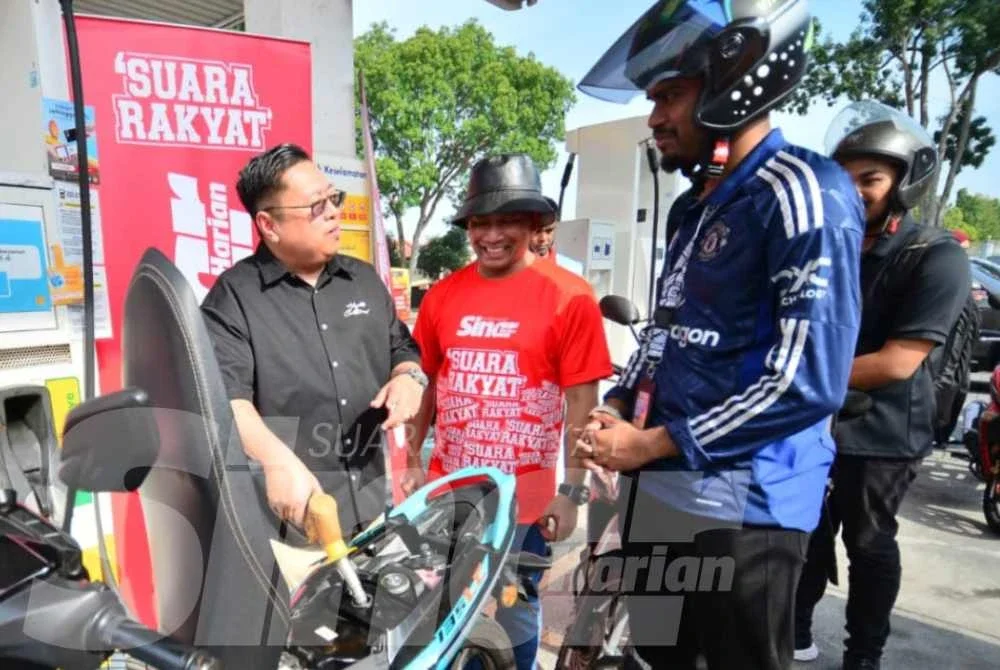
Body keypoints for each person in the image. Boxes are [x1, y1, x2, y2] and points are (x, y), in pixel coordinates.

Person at [573, 2, 865, 668]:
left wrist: (650, 443)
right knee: (655, 657)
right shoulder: (693, 207)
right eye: (652, 99)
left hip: (747, 512)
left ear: (733, 86)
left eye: (669, 96)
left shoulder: (802, 190)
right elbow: (665, 332)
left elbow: (807, 380)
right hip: (660, 490)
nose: (654, 118)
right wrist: (616, 404)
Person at [405, 153, 613, 669]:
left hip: (527, 502)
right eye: (480, 222)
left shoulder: (570, 298)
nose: (492, 235)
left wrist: (573, 492)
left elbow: (582, 402)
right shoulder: (442, 296)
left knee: (515, 609)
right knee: (448, 611)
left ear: (534, 225)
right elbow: (426, 385)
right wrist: (410, 461)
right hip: (451, 493)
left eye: (508, 221)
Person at [793, 100, 972, 669]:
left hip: (883, 430)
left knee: (868, 544)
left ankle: (863, 655)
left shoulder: (934, 256)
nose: (854, 191)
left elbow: (898, 362)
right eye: (843, 179)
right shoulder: (830, 246)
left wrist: (791, 375)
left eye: (869, 179)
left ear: (904, 181)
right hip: (814, 419)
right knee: (804, 534)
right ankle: (796, 631)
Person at [201, 142, 427, 537]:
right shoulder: (233, 297)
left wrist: (410, 377)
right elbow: (227, 399)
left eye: (333, 198)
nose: (334, 212)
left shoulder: (364, 280)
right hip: (289, 522)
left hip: (370, 508)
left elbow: (401, 348)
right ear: (269, 224)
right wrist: (275, 460)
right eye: (316, 206)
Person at [529, 196, 559, 263]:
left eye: (549, 231)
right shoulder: (511, 266)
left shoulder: (569, 267)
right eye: (536, 231)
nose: (543, 239)